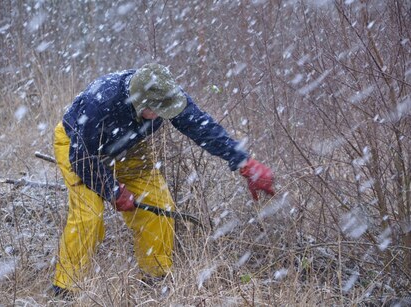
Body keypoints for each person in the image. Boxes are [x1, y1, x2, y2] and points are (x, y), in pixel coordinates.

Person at [51, 63, 275, 295]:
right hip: (79, 148)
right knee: (89, 216)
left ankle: (155, 278)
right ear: (139, 103)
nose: (162, 115)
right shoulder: (99, 103)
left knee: (159, 207)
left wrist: (244, 162)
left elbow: (201, 127)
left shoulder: (167, 94)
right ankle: (66, 289)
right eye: (155, 110)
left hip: (129, 149)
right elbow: (79, 157)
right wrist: (112, 190)